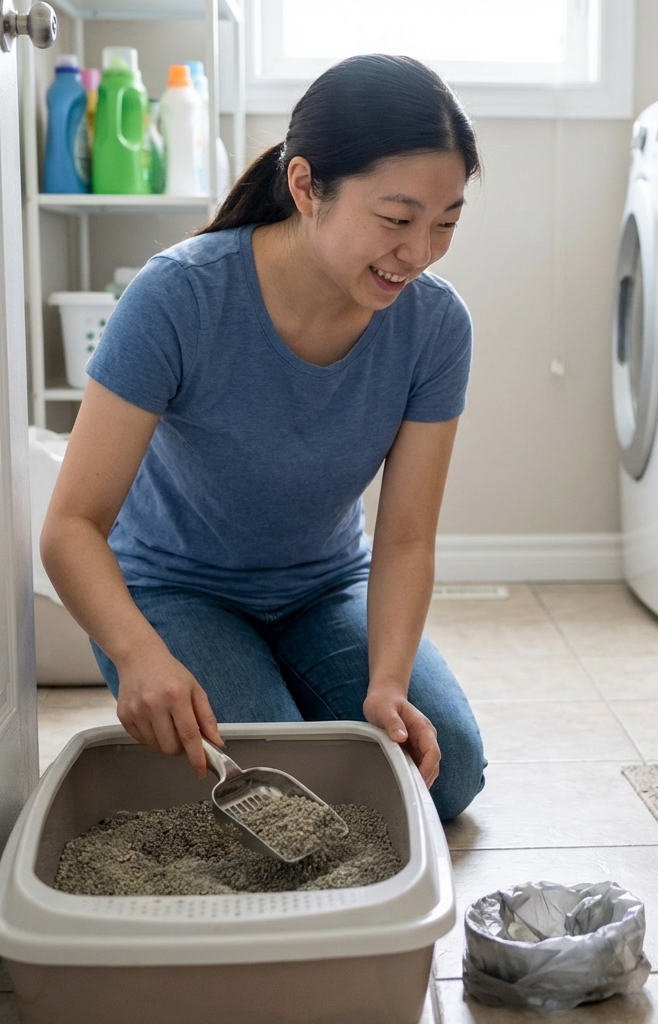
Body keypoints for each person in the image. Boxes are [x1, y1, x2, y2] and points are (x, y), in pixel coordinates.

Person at [40, 54, 486, 821]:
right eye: (396, 219)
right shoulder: (176, 298)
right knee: (283, 800)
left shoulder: (436, 325)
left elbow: (406, 538)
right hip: (173, 594)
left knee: (444, 770)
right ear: (308, 187)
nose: (419, 253)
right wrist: (140, 655)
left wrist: (385, 684)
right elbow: (71, 527)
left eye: (445, 223)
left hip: (324, 585)